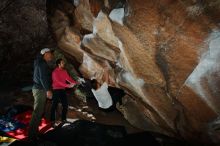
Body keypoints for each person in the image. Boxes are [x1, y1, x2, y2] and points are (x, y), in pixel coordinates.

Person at [28, 48, 54, 140]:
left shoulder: (39, 63)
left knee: (39, 112)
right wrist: (48, 90)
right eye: (50, 53)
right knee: (37, 112)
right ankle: (31, 136)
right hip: (40, 90)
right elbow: (43, 78)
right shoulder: (42, 63)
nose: (51, 55)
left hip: (38, 89)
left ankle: (34, 133)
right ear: (45, 54)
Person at [50, 58, 78, 125]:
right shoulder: (54, 72)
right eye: (62, 63)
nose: (64, 63)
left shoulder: (64, 71)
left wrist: (75, 82)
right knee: (54, 105)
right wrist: (68, 86)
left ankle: (63, 119)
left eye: (64, 62)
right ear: (58, 64)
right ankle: (52, 121)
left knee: (65, 105)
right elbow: (58, 82)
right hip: (56, 89)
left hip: (62, 90)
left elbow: (68, 78)